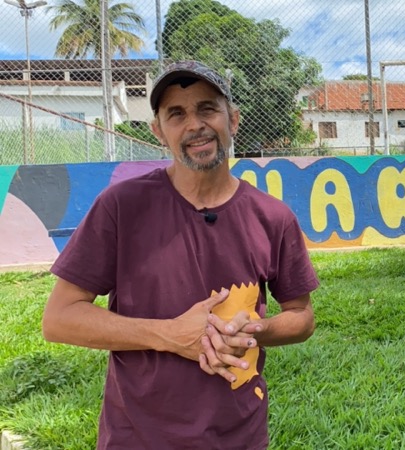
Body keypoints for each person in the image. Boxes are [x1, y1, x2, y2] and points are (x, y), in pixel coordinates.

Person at [41, 60, 319, 449]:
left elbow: (302, 316)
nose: (195, 124)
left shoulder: (272, 217)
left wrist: (256, 330)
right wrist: (169, 335)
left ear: (233, 119)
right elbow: (59, 318)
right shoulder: (122, 207)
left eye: (207, 108)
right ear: (159, 131)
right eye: (177, 114)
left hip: (239, 435)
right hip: (136, 437)